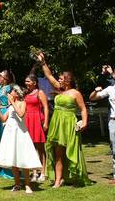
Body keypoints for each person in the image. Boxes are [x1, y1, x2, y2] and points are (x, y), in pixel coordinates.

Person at [37, 53, 89, 187]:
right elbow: (48, 76)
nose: (58, 80)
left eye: (61, 79)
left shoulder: (75, 93)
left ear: (68, 80)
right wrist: (43, 62)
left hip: (69, 123)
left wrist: (84, 122)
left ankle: (73, 175)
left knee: (70, 149)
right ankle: (58, 180)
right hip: (57, 122)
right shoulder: (59, 89)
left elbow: (83, 109)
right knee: (58, 152)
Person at [0, 87, 43, 193]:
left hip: (20, 132)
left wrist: (12, 102)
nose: (9, 94)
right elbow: (3, 118)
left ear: (16, 93)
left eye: (11, 92)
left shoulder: (22, 103)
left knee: (23, 157)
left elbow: (21, 114)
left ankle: (27, 184)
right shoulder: (10, 106)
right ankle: (17, 184)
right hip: (10, 132)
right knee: (13, 158)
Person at [22, 74, 49, 183]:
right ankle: (34, 172)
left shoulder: (40, 92)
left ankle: (43, 172)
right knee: (31, 148)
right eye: (26, 81)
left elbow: (46, 107)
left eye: (28, 81)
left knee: (40, 147)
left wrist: (46, 122)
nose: (26, 83)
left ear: (34, 82)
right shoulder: (26, 93)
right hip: (28, 120)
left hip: (37, 120)